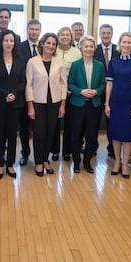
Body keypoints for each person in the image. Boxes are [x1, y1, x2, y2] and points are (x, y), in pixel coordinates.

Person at [25, 33, 66, 177]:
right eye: (48, 43)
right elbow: (28, 85)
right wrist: (30, 106)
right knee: (39, 133)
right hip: (37, 103)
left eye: (53, 44)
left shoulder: (59, 62)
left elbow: (63, 84)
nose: (50, 46)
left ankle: (45, 160)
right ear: (42, 44)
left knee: (50, 132)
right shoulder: (32, 62)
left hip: (54, 103)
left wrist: (62, 105)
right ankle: (38, 162)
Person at [0, 30, 26, 179]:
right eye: (6, 40)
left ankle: (10, 164)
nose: (9, 43)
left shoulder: (20, 60)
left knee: (12, 134)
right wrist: (5, 94)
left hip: (15, 104)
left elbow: (23, 81)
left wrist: (14, 94)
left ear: (15, 43)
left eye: (11, 41)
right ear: (1, 42)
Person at [105, 32, 131, 179]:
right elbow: (109, 83)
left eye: (129, 42)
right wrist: (107, 103)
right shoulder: (113, 62)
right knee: (115, 134)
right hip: (115, 103)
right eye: (124, 42)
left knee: (127, 135)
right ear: (119, 44)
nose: (126, 45)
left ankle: (126, 164)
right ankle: (117, 163)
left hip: (130, 104)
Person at [68, 35, 105, 173]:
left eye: (91, 46)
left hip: (94, 105)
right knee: (76, 135)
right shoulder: (75, 65)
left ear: (94, 48)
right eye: (86, 46)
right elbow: (70, 84)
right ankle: (76, 162)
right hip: (77, 104)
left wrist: (96, 91)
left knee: (92, 135)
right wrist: (81, 91)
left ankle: (87, 162)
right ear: (81, 48)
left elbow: (103, 85)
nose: (88, 49)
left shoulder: (100, 65)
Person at [51, 27, 81, 161]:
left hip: (71, 93)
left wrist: (71, 89)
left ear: (71, 37)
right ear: (58, 36)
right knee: (54, 123)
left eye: (67, 35)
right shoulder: (53, 50)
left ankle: (67, 151)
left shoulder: (77, 52)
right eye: (62, 34)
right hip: (54, 92)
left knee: (70, 123)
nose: (64, 37)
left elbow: (79, 73)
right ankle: (55, 150)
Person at [93, 24, 120, 158]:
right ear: (99, 34)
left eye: (108, 33)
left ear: (112, 34)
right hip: (97, 91)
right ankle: (92, 147)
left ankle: (112, 149)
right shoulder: (94, 49)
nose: (106, 35)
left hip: (115, 91)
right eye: (103, 33)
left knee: (112, 121)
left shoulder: (119, 49)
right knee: (94, 121)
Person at [18, 19, 41, 167]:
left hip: (40, 94)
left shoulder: (45, 47)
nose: (34, 32)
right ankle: (25, 153)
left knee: (39, 128)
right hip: (22, 94)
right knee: (24, 127)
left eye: (37, 29)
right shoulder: (19, 47)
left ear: (40, 31)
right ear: (27, 30)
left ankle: (40, 155)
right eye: (31, 29)